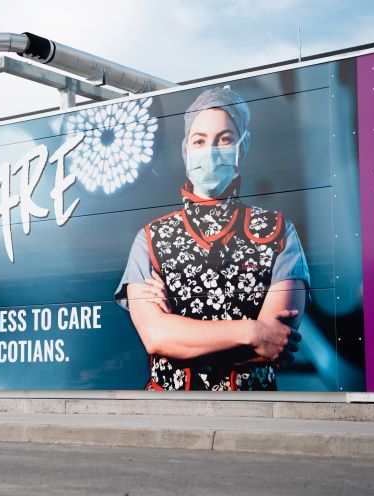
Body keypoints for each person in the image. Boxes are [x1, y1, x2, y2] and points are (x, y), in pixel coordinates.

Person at [114, 87, 310, 391]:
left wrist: (182, 337)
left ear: (242, 147)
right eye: (200, 140)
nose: (210, 149)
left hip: (255, 413)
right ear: (185, 151)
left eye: (225, 139)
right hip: (167, 413)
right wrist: (252, 330)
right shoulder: (151, 239)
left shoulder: (278, 232)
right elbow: (156, 337)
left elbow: (276, 345)